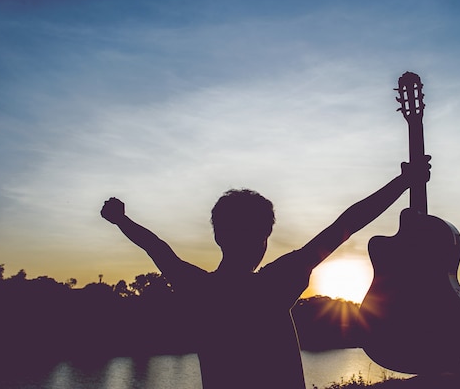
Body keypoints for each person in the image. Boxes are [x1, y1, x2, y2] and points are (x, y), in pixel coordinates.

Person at [100, 156, 431, 389]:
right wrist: (403, 182)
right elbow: (345, 225)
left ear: (217, 235)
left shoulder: (198, 289)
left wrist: (121, 220)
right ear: (264, 240)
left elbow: (156, 248)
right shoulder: (276, 285)